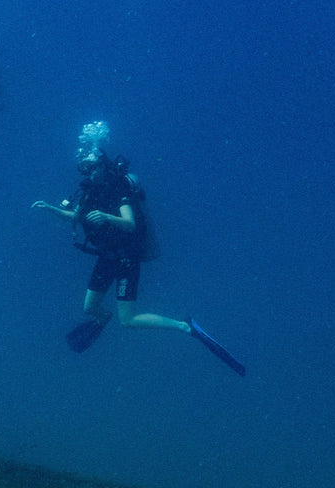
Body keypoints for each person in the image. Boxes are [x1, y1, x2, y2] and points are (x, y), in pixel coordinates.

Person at [31, 121, 244, 374]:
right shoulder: (89, 191)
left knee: (128, 320)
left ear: (103, 164)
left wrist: (107, 217)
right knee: (89, 308)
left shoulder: (118, 187)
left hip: (126, 258)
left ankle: (186, 327)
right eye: (85, 168)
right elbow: (76, 216)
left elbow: (130, 223)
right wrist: (50, 209)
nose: (90, 173)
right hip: (106, 256)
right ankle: (102, 318)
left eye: (93, 167)